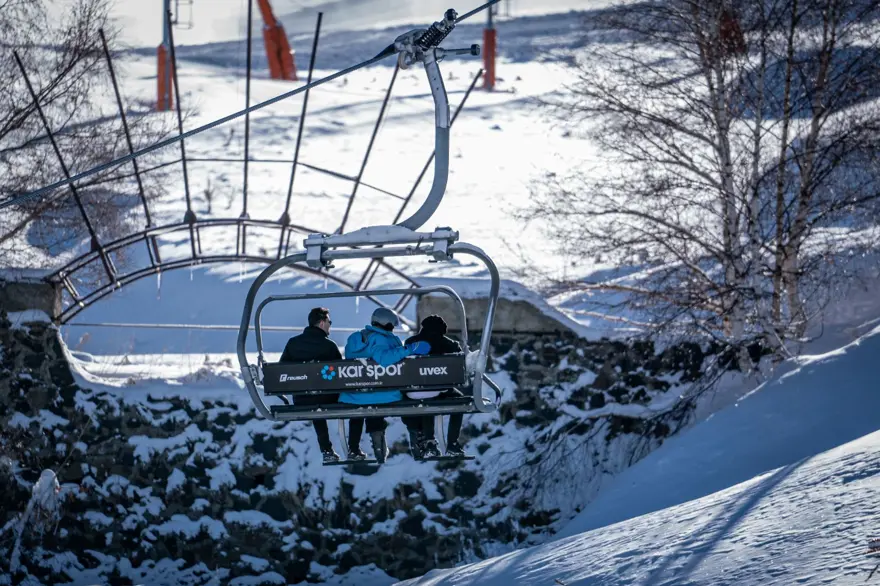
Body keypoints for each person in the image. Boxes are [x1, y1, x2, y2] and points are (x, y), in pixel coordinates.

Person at [340, 307, 430, 463]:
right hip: (384, 391)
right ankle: (418, 443)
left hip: (355, 394)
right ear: (386, 323)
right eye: (392, 325)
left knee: (369, 405)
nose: (393, 328)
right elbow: (384, 358)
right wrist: (409, 349)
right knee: (409, 403)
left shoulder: (355, 339)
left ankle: (376, 444)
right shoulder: (381, 338)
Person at [279, 307, 342, 464]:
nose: (330, 325)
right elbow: (342, 373)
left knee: (314, 402)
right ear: (321, 323)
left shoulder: (293, 343)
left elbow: (281, 370)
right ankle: (353, 449)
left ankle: (327, 450)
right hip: (329, 398)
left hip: (302, 399)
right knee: (326, 399)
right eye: (329, 322)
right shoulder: (329, 346)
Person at [403, 314, 467, 459]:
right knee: (460, 401)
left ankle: (429, 442)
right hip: (438, 390)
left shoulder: (410, 342)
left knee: (427, 398)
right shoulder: (450, 345)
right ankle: (452, 443)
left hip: (413, 391)